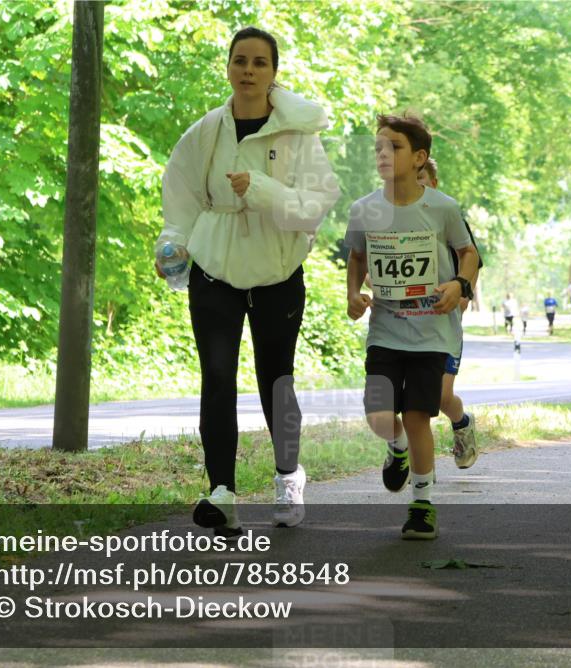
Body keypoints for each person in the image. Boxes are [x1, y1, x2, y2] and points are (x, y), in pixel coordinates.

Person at [157, 27, 340, 536]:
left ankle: (288, 477)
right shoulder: (205, 132)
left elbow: (316, 207)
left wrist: (260, 189)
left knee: (275, 380)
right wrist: (172, 245)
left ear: (274, 73)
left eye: (260, 62)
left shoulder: (298, 136)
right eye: (240, 61)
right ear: (228, 68)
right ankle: (222, 492)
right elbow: (181, 196)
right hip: (214, 270)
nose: (249, 71)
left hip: (277, 273)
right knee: (217, 377)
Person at [346, 113, 479, 540]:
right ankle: (396, 447)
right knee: (379, 414)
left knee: (418, 414)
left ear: (419, 157)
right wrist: (352, 294)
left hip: (431, 332)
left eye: (394, 147)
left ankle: (422, 504)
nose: (383, 154)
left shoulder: (442, 208)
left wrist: (459, 285)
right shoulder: (364, 209)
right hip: (386, 330)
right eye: (378, 147)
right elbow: (357, 257)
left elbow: (469, 253)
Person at [417, 158, 481, 470]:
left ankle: (462, 423)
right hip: (405, 325)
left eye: (421, 178)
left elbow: (472, 259)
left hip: (444, 323)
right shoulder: (391, 218)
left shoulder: (449, 216)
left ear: (434, 183)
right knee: (410, 399)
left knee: (441, 397)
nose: (416, 185)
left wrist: (463, 293)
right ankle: (418, 462)